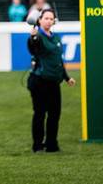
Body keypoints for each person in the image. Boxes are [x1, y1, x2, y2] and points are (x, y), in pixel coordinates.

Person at [27, 8, 76, 152]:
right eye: (46, 18)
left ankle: (51, 144)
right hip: (39, 81)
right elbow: (33, 48)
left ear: (54, 21)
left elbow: (59, 61)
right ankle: (37, 144)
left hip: (54, 82)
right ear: (39, 20)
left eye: (51, 18)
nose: (48, 21)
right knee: (40, 113)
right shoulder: (37, 36)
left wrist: (66, 78)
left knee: (55, 114)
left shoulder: (56, 38)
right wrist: (33, 38)